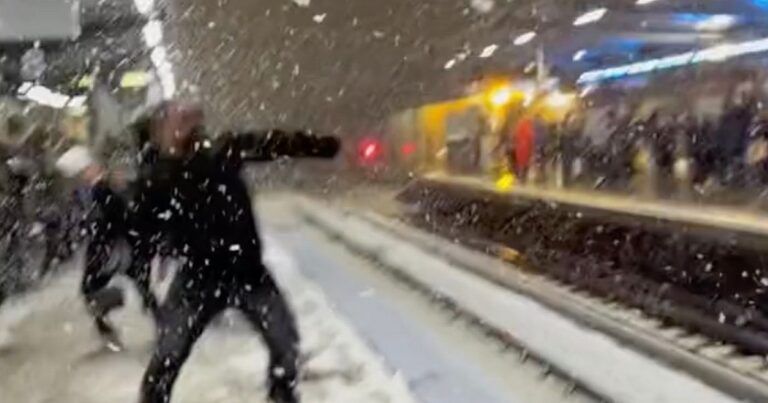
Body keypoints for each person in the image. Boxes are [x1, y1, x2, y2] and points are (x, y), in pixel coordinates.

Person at [132, 102, 340, 403]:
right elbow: (142, 225)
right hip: (197, 279)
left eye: (185, 121)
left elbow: (272, 143)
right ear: (158, 134)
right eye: (171, 124)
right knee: (168, 353)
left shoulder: (222, 151)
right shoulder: (157, 176)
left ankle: (282, 394)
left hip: (247, 273)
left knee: (285, 342)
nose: (180, 128)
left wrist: (319, 146)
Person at [56, 144, 160, 351]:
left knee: (91, 290)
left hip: (112, 249)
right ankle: (160, 325)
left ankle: (111, 328)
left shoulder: (102, 190)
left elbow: (117, 219)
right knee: (140, 286)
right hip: (117, 247)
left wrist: (104, 235)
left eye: (80, 173)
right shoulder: (100, 189)